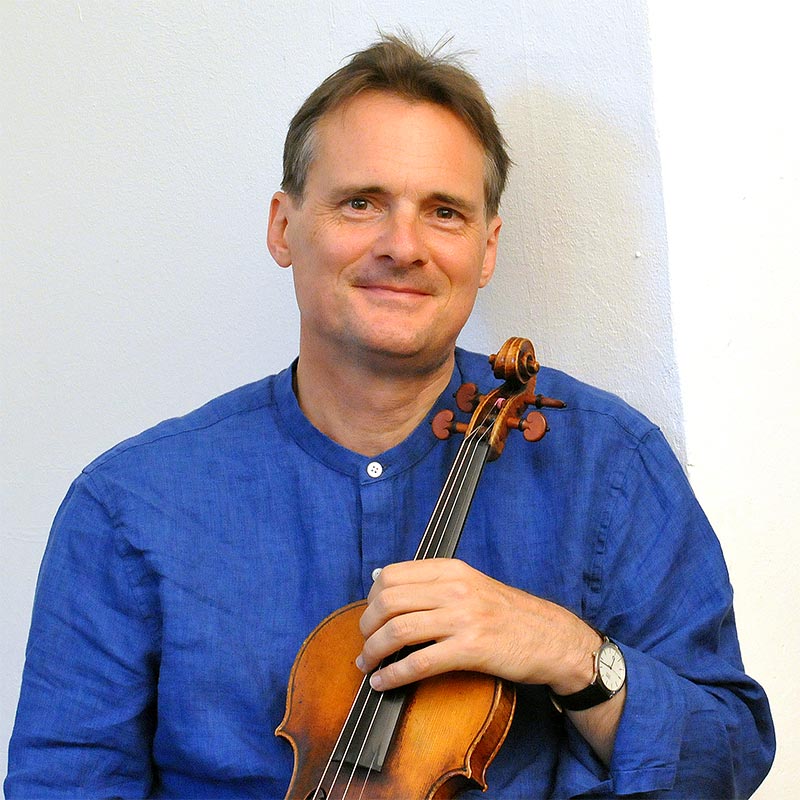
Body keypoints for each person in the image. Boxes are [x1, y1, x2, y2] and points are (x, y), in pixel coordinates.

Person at [5, 34, 774, 799]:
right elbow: (63, 783)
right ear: (283, 226)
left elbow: (729, 759)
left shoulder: (608, 465)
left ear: (486, 249)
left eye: (444, 212)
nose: (403, 246)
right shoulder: (130, 504)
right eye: (361, 202)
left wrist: (570, 651)